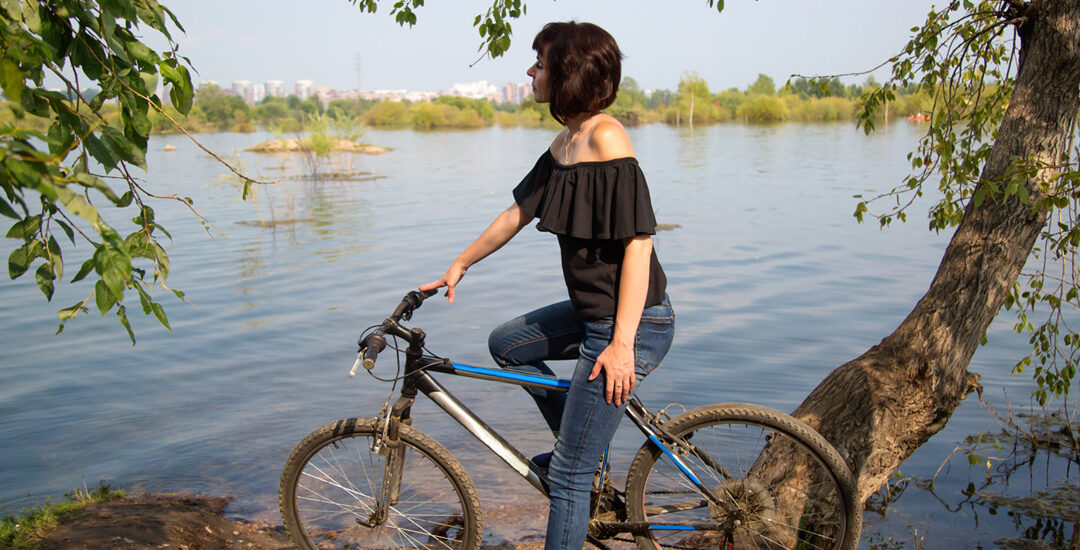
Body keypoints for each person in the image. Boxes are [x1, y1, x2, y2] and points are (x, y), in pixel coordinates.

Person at [420, 21, 675, 550]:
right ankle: (582, 445)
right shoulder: (566, 142)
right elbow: (517, 212)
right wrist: (460, 264)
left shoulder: (606, 135)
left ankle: (578, 461)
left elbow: (639, 244)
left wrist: (622, 344)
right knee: (507, 344)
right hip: (594, 318)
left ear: (567, 72)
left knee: (567, 480)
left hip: (632, 324)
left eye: (539, 63)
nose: (531, 72)